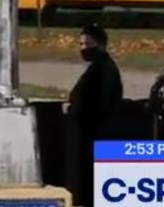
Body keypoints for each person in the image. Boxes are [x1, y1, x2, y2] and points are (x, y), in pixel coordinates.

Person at [63, 23, 123, 207]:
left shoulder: (103, 69)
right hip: (87, 133)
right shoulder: (98, 67)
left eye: (87, 44)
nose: (83, 49)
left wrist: (73, 108)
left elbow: (98, 102)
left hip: (94, 134)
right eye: (80, 44)